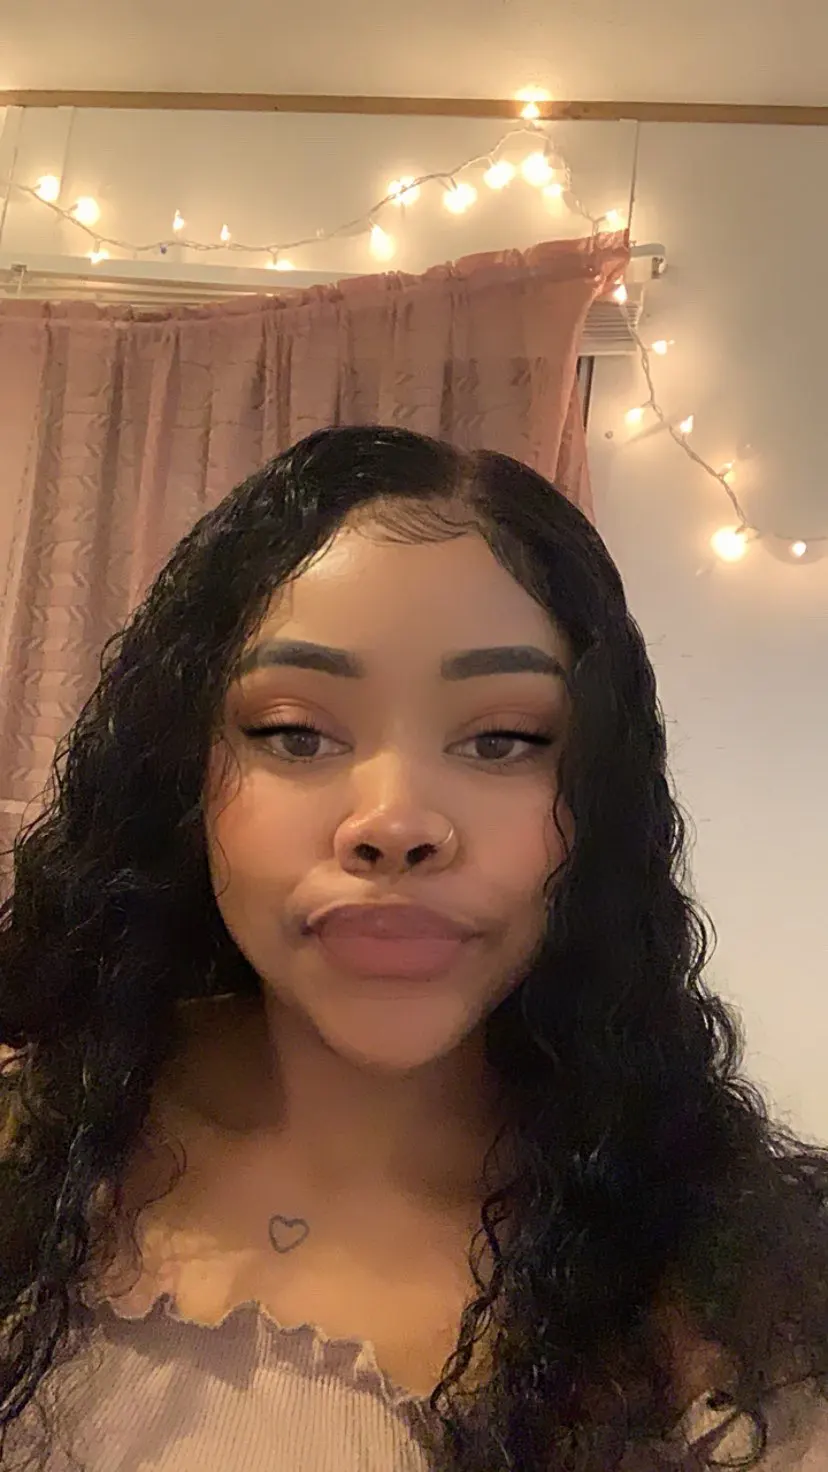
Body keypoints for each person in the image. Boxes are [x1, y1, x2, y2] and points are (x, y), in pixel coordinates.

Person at [1, 425, 827, 1472]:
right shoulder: (35, 1144)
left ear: (599, 803)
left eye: (502, 739)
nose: (395, 822)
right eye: (295, 732)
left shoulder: (743, 1315)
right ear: (184, 779)